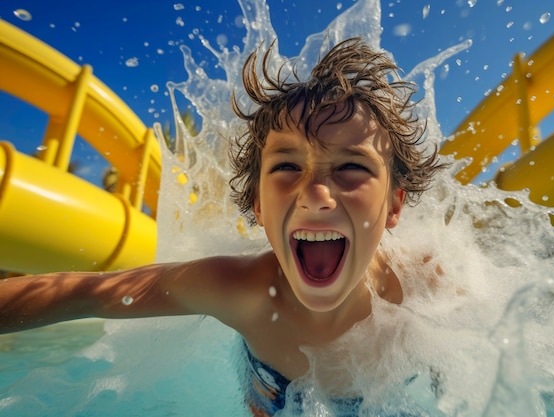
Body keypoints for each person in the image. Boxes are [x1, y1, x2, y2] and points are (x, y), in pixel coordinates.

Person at [0, 38, 445, 416]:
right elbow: (87, 292)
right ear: (258, 202)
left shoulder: (425, 290)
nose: (315, 194)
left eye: (351, 166)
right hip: (273, 396)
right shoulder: (237, 289)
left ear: (393, 206)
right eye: (287, 165)